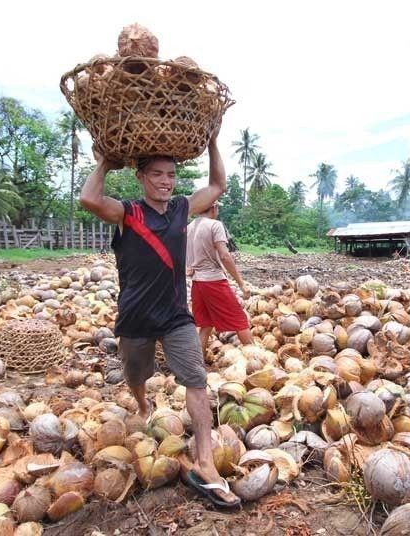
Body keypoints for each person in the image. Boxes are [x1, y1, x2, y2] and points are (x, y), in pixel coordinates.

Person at [79, 128, 239, 507]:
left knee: (197, 379)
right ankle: (143, 404)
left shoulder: (183, 208)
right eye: (157, 174)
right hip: (135, 318)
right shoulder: (128, 213)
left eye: (171, 175)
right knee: (136, 375)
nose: (166, 182)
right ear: (141, 177)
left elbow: (218, 185)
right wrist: (105, 159)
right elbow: (89, 198)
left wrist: (213, 141)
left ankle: (204, 461)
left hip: (175, 316)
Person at [186, 201, 252, 356]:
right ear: (214, 208)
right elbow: (224, 255)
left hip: (197, 282)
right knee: (240, 320)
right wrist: (241, 284)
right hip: (213, 281)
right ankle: (257, 359)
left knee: (206, 325)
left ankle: (197, 365)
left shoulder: (189, 228)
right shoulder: (215, 225)